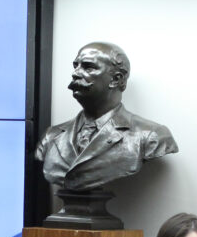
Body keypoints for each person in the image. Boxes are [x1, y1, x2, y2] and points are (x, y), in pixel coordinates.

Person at [35, 42, 178, 191]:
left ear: (117, 79)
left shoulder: (151, 136)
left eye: (88, 67)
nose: (75, 73)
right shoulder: (51, 136)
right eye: (75, 66)